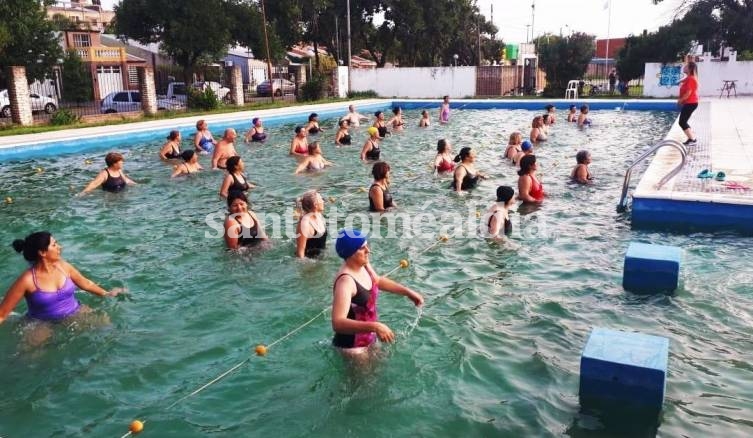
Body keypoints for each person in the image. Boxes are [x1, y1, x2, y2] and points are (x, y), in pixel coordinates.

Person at [0, 232, 122, 343]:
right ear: (42, 252)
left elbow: (86, 283)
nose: (60, 247)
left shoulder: (63, 267)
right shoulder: (27, 280)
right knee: (30, 357)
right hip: (40, 323)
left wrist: (106, 293)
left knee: (109, 331)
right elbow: (2, 314)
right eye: (54, 245)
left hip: (75, 312)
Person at [331, 228, 423, 354]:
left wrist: (407, 292)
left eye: (366, 245)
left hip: (370, 336)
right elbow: (338, 323)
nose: (368, 250)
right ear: (350, 253)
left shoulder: (363, 264)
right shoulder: (345, 282)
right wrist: (375, 326)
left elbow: (377, 281)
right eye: (362, 248)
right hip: (353, 348)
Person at [295, 190, 328, 258]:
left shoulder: (319, 215)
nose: (323, 201)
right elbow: (300, 254)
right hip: (311, 261)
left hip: (321, 257)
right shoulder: (305, 225)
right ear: (316, 205)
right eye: (321, 199)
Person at [677, 61, 698, 145]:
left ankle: (692, 140)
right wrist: (679, 82)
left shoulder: (691, 79)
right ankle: (691, 138)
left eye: (686, 66)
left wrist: (680, 100)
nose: (684, 67)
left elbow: (688, 93)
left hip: (691, 103)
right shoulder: (689, 77)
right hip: (690, 103)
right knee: (683, 121)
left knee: (682, 122)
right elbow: (684, 79)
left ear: (689, 69)